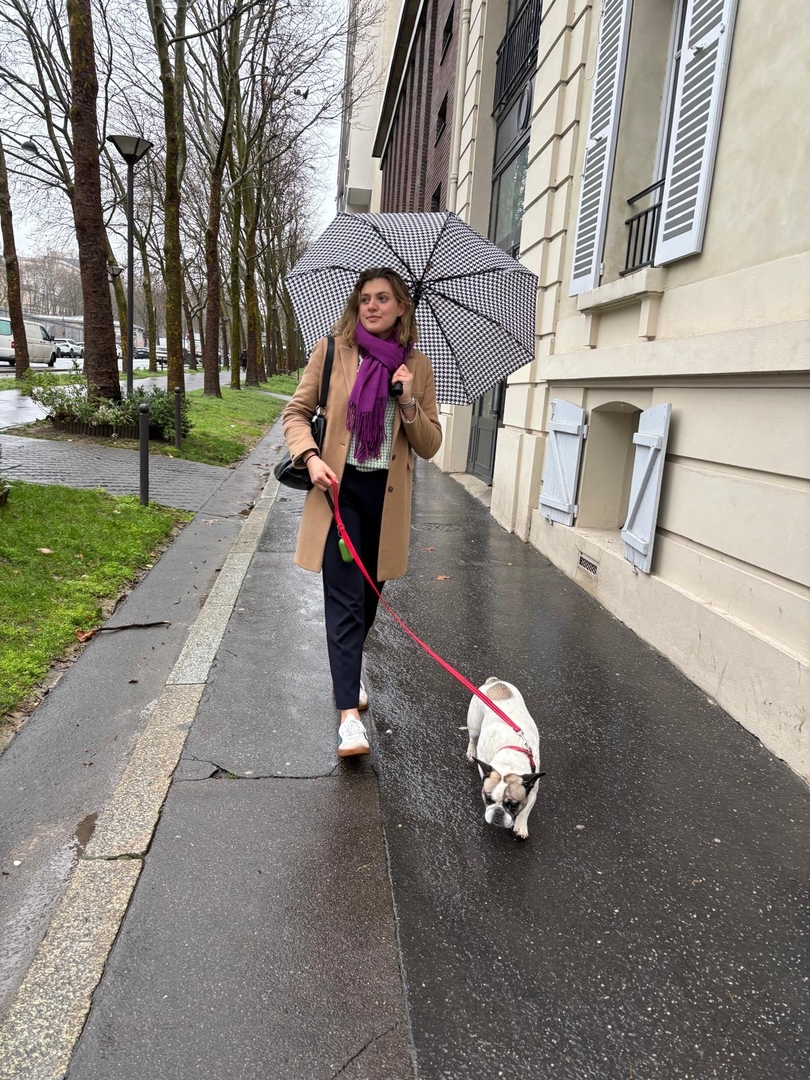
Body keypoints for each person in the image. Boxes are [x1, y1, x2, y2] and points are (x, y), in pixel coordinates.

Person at [282, 268, 442, 757]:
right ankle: (348, 716)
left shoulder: (416, 366)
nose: (372, 305)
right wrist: (310, 458)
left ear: (401, 307)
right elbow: (295, 413)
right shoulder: (333, 351)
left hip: (386, 502)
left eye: (383, 298)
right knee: (346, 600)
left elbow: (430, 445)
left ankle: (346, 673)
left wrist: (408, 400)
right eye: (365, 298)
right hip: (339, 493)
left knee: (369, 600)